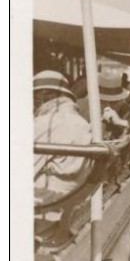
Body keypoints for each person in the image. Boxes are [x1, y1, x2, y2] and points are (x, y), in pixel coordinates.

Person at [34, 71, 94, 249]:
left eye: (34, 97)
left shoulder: (47, 123)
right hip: (69, 199)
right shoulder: (80, 122)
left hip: (46, 205)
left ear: (45, 96)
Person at [76, 72, 130, 138]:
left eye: (117, 101)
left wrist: (120, 122)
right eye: (120, 100)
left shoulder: (125, 110)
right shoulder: (80, 109)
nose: (122, 102)